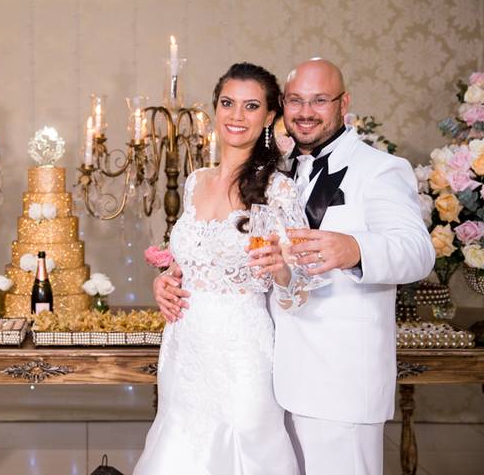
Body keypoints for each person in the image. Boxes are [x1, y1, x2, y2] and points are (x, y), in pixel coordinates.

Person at [153, 58, 435, 475]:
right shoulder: (277, 170)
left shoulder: (379, 170)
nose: (305, 111)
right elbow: (223, 256)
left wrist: (354, 249)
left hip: (338, 378)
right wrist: (169, 277)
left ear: (344, 103)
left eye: (319, 100)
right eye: (296, 100)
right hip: (267, 368)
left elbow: (418, 251)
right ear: (283, 108)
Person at [134, 63, 304, 475]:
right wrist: (165, 280)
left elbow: (301, 283)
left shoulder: (278, 188)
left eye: (251, 106)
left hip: (241, 347)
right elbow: (191, 260)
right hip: (185, 342)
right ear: (215, 109)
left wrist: (283, 269)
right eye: (228, 103)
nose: (236, 116)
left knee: (243, 443)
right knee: (181, 446)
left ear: (269, 116)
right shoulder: (195, 181)